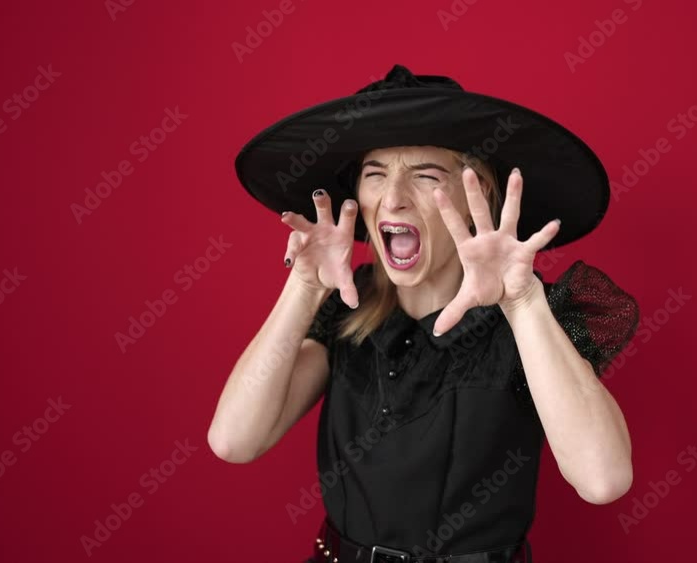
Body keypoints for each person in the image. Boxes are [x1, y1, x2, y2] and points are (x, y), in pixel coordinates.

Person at [209, 65, 640, 563]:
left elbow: (603, 478)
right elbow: (233, 440)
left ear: (475, 192)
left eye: (425, 176)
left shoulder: (532, 316)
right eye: (375, 174)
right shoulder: (347, 311)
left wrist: (521, 304)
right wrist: (304, 286)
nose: (392, 199)